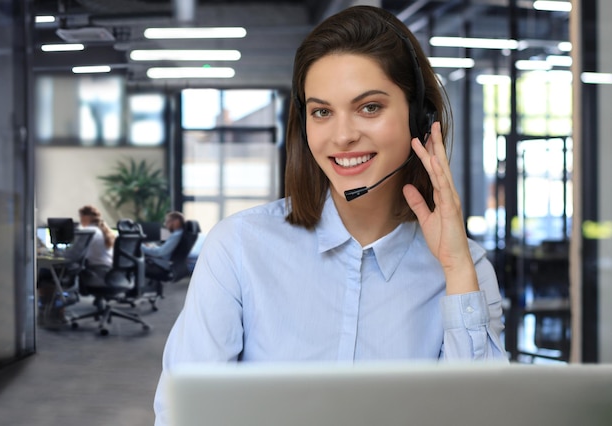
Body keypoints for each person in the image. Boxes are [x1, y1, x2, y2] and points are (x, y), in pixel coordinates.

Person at [154, 5, 508, 424]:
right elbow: (187, 413)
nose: (342, 136)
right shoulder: (239, 248)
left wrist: (455, 269)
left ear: (420, 117)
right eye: (322, 112)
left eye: (369, 108)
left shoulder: (467, 270)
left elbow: (478, 415)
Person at [77, 205, 114, 280]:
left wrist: (60, 255)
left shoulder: (87, 231)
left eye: (80, 216)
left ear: (85, 217)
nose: (80, 219)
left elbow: (75, 253)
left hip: (95, 272)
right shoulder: (106, 231)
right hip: (110, 271)